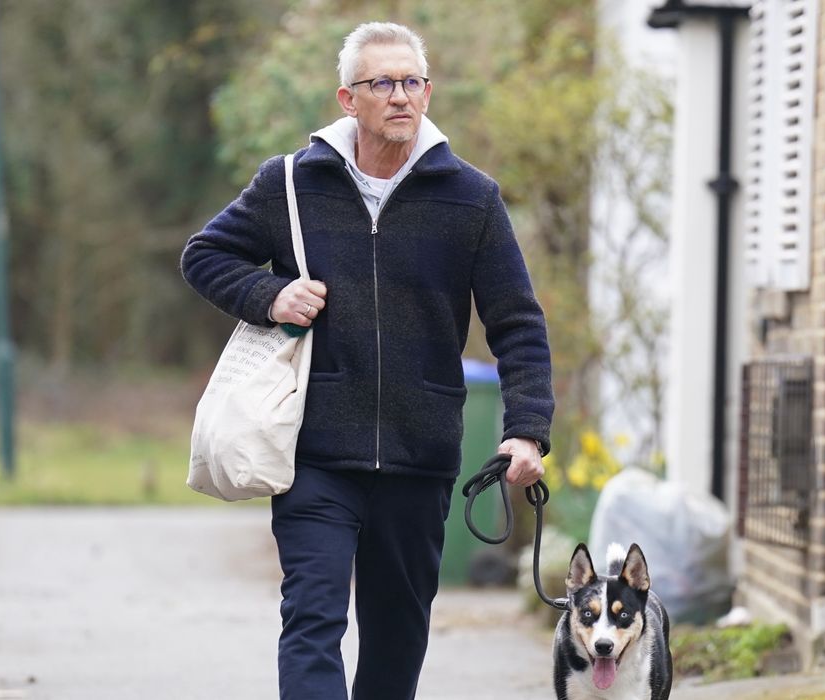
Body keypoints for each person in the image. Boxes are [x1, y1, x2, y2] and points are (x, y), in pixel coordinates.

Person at [180, 21, 555, 700]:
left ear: (428, 90)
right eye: (382, 82)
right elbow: (204, 256)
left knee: (395, 635)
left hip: (419, 457)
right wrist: (270, 294)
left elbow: (517, 323)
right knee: (311, 620)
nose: (401, 96)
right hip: (315, 452)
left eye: (412, 81)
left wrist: (526, 428)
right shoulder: (291, 183)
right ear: (348, 99)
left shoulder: (471, 199)